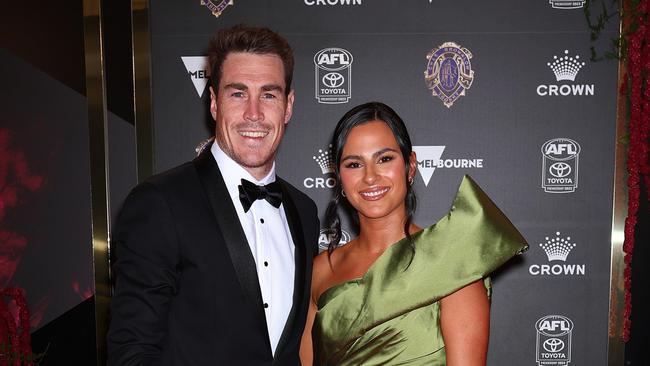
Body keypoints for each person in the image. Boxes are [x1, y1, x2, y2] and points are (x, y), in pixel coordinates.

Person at [107, 25, 319, 365]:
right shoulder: (160, 203)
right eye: (238, 94)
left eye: (269, 94)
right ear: (214, 103)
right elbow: (132, 352)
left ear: (289, 105)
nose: (254, 113)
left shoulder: (304, 211)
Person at [299, 102, 528, 365]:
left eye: (384, 159)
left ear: (410, 166)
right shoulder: (321, 270)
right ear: (339, 176)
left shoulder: (452, 262)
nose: (370, 177)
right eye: (354, 164)